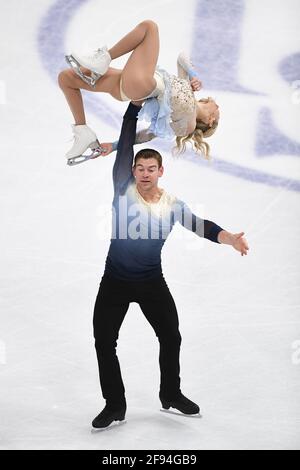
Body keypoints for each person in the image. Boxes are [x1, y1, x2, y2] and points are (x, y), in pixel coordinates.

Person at [91, 101, 249, 430]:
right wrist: (133, 109)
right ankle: (115, 404)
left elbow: (202, 226)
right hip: (115, 282)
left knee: (171, 338)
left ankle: (171, 394)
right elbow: (124, 139)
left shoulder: (172, 205)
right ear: (132, 170)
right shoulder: (122, 186)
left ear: (160, 171)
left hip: (151, 283)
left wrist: (228, 238)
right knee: (105, 342)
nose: (145, 173)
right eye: (140, 168)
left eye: (151, 169)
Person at [58, 20, 220, 164]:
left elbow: (148, 134)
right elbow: (182, 57)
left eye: (217, 109)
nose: (216, 103)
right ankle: (82, 131)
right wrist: (193, 75)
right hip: (123, 84)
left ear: (211, 120)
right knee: (65, 78)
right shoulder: (189, 87)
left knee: (150, 27)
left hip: (141, 85)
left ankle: (103, 59)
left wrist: (115, 145)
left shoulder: (188, 126)